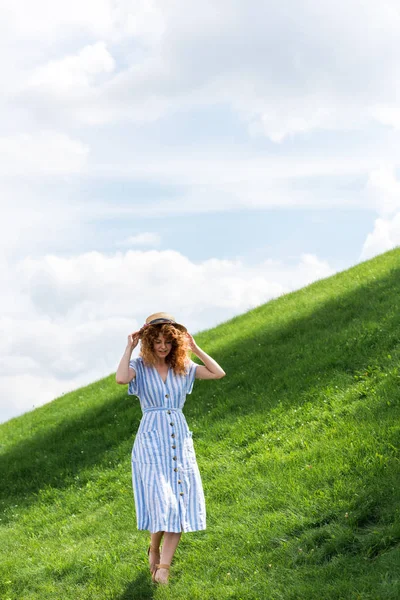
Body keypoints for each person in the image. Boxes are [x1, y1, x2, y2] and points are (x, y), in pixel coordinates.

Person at [115, 312, 226, 585]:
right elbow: (120, 378)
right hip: (151, 442)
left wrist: (195, 347)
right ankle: (154, 547)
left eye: (168, 341)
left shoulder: (184, 367)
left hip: (178, 440)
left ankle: (163, 568)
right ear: (149, 342)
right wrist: (129, 348)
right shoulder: (139, 367)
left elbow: (217, 372)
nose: (163, 346)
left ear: (175, 343)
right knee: (161, 501)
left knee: (178, 501)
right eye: (158, 341)